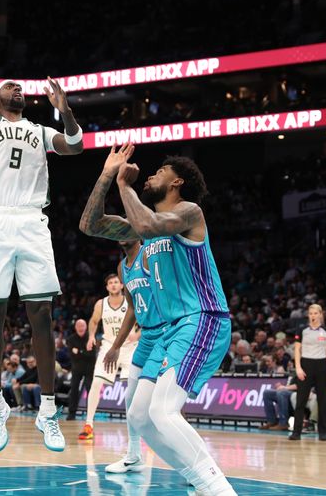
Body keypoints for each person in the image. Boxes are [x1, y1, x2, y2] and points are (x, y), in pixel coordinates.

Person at [0, 0, 84, 454]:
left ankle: (48, 411)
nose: (18, 89)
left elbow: (76, 146)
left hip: (32, 222)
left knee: (42, 315)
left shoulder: (40, 130)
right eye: (10, 85)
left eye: (20, 88)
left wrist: (64, 109)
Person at [80, 143, 236, 495]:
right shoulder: (139, 230)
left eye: (160, 171)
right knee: (140, 418)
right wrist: (107, 175)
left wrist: (124, 186)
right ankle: (199, 482)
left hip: (203, 318)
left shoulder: (189, 212)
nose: (151, 174)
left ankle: (217, 487)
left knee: (164, 412)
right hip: (171, 330)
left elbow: (150, 225)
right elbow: (89, 224)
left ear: (177, 181)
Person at [100, 239, 167, 474]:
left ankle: (192, 464)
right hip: (146, 336)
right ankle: (134, 455)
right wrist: (116, 345)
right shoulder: (122, 267)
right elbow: (131, 308)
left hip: (165, 333)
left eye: (125, 227)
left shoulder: (149, 255)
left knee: (167, 403)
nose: (120, 233)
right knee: (130, 397)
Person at [79, 273, 140, 441]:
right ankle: (89, 424)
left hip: (129, 348)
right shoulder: (101, 304)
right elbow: (93, 321)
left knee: (134, 387)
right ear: (107, 287)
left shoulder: (131, 301)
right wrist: (91, 336)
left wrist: (138, 335)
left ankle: (142, 428)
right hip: (109, 348)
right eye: (110, 283)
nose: (113, 285)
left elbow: (148, 319)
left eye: (116, 282)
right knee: (96, 382)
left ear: (122, 285)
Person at [290, 304, 326, 441]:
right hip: (305, 365)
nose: (313, 316)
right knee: (301, 400)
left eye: (315, 313)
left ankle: (323, 431)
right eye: (311, 313)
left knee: (322, 400)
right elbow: (297, 350)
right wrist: (298, 367)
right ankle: (296, 432)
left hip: (321, 365)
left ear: (320, 314)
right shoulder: (302, 330)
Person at [65, 319, 96, 421]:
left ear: (86, 327)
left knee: (89, 390)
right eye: (79, 326)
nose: (81, 328)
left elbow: (92, 355)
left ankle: (90, 415)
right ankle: (71, 413)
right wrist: (84, 352)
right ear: (75, 328)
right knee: (73, 389)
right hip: (76, 368)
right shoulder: (71, 339)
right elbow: (71, 355)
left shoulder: (91, 338)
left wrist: (79, 351)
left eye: (82, 326)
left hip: (89, 369)